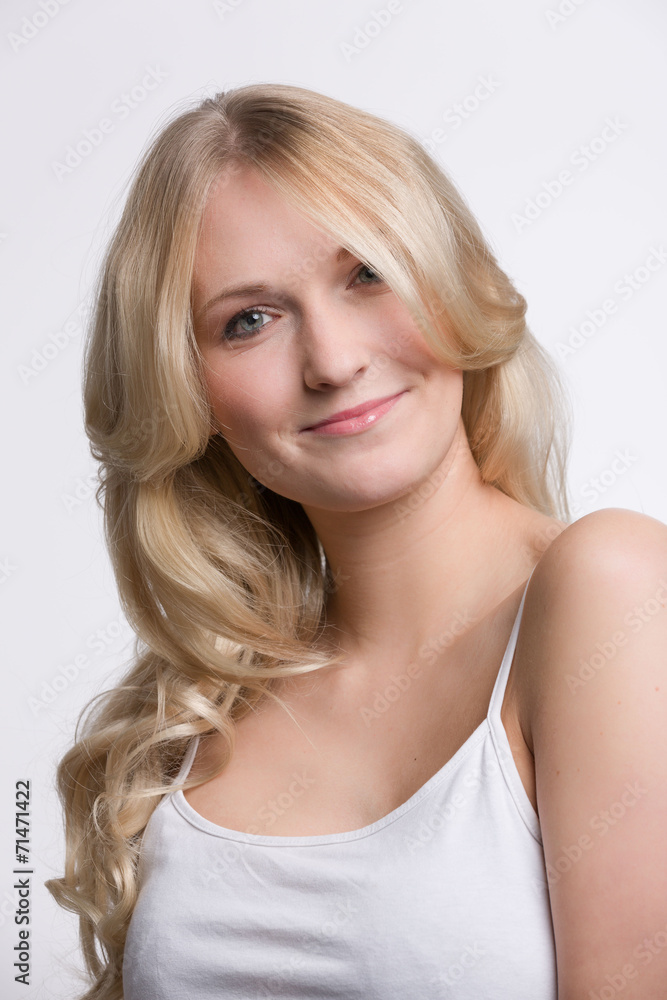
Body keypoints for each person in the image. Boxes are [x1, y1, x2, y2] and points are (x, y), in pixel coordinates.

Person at [47, 83, 667, 999]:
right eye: (248, 320)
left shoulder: (609, 590)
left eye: (367, 273)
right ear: (190, 391)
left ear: (450, 283)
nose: (333, 362)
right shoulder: (193, 714)